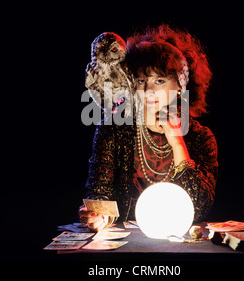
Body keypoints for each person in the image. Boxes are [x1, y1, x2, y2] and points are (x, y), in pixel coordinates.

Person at [79, 24, 218, 232]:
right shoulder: (114, 130)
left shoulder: (200, 137)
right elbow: (99, 192)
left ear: (180, 85)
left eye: (159, 80)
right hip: (125, 247)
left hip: (179, 246)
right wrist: (98, 215)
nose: (148, 90)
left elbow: (199, 207)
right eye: (141, 80)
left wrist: (178, 143)